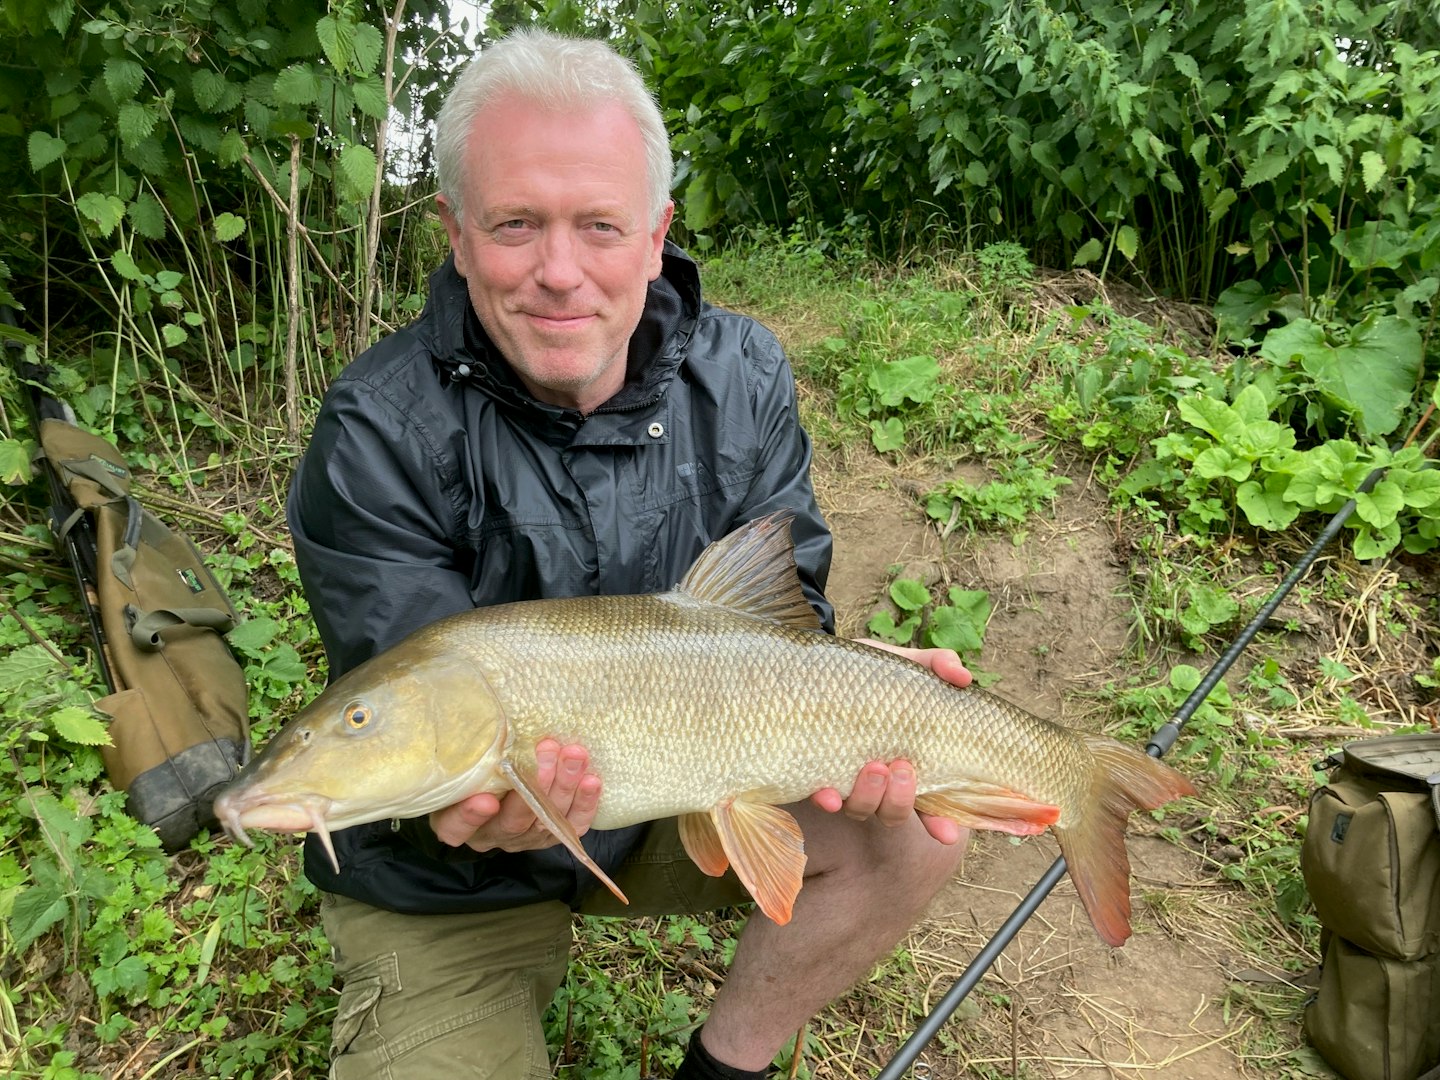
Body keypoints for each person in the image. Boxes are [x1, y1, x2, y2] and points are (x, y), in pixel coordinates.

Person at [287, 27, 971, 1080]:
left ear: (655, 236)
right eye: (516, 224)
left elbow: (782, 627)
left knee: (916, 825)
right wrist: (477, 811)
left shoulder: (741, 375)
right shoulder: (376, 428)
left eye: (599, 226)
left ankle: (726, 1066)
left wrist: (868, 693)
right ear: (456, 234)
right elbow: (420, 710)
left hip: (686, 781)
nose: (560, 273)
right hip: (447, 863)